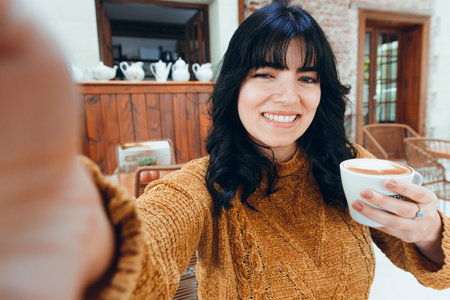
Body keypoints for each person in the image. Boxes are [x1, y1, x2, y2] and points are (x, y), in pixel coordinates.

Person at [0, 0, 449, 299]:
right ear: (235, 86)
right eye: (265, 73)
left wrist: (429, 231)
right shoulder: (203, 185)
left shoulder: (350, 166)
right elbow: (150, 243)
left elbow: (441, 270)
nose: (288, 97)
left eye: (307, 78)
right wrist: (82, 238)